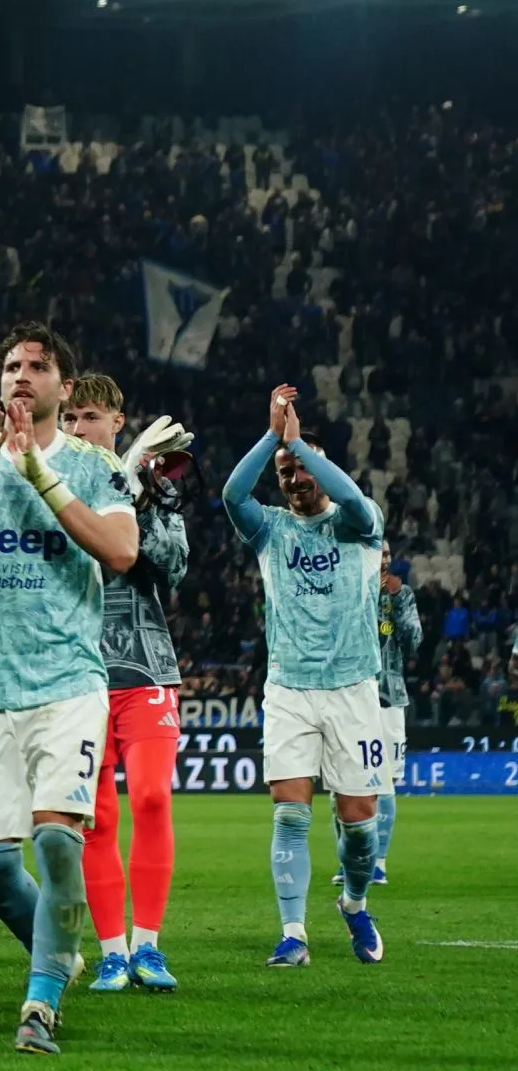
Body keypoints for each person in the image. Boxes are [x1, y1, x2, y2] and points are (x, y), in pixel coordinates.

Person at [0, 322, 139, 1055]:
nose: (21, 375)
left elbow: (120, 551)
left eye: (38, 366)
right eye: (11, 364)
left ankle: (41, 1001)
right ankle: (62, 946)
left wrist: (39, 475)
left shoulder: (94, 465)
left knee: (56, 837)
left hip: (68, 684)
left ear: (63, 387)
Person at [223, 387, 389, 970]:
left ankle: (354, 901)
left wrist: (301, 445)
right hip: (289, 689)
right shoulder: (269, 530)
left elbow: (352, 496)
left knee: (361, 827)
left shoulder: (360, 527)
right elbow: (231, 493)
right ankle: (293, 934)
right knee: (291, 813)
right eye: (286, 471)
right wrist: (274, 438)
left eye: (302, 467)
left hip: (354, 689)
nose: (294, 477)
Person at [60, 375, 191, 993]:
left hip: (145, 666)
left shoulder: (157, 492)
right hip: (75, 673)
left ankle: (149, 947)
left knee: (152, 799)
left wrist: (134, 490)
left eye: (91, 417)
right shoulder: (47, 489)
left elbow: (171, 564)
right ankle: (113, 951)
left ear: (118, 424)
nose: (80, 428)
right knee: (97, 818)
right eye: (71, 418)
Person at [342, 542, 419, 886]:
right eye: (379, 553)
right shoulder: (349, 589)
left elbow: (414, 640)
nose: (385, 559)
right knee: (346, 782)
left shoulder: (402, 595)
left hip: (389, 697)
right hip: (352, 695)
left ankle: (379, 863)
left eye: (388, 554)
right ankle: (349, 863)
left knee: (385, 781)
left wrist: (398, 602)